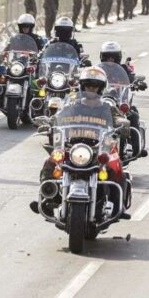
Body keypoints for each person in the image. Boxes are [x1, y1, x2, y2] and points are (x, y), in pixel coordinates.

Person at [29, 66, 131, 218]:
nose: (91, 90)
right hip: (72, 147)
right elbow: (57, 118)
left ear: (100, 88)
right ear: (82, 87)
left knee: (116, 166)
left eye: (95, 86)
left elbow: (119, 119)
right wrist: (48, 123)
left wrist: (123, 124)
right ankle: (47, 199)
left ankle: (118, 206)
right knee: (50, 161)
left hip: (98, 148)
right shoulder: (72, 105)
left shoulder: (108, 107)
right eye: (88, 86)